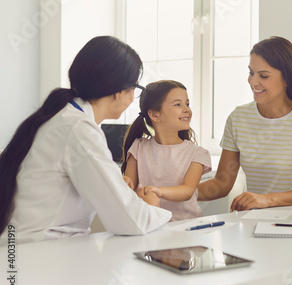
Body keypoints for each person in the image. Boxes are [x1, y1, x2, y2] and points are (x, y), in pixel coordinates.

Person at [0, 36, 171, 243]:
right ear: (118, 90)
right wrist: (153, 205)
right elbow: (131, 222)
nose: (132, 97)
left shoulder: (62, 117)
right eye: (134, 88)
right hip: (38, 255)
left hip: (23, 251)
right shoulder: (78, 130)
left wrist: (114, 183)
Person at [198, 36, 292, 211]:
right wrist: (174, 193)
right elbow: (222, 183)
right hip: (251, 218)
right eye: (251, 73)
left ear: (288, 78)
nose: (253, 82)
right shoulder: (238, 118)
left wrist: (266, 200)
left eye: (263, 75)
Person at [121, 80, 211, 221]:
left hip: (187, 228)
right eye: (177, 104)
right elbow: (128, 188)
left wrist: (159, 191)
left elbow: (187, 190)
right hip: (150, 225)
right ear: (155, 115)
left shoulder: (197, 153)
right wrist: (124, 182)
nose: (187, 109)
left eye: (187, 104)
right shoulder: (138, 147)